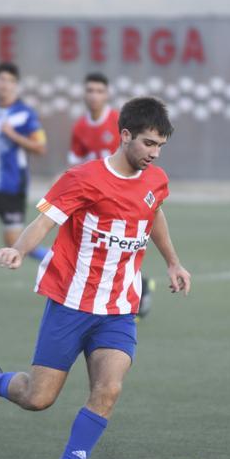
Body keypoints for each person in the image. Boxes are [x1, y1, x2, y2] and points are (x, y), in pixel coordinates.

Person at [0, 96, 192, 459]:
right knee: (38, 398)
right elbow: (44, 220)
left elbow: (154, 213)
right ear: (125, 136)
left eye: (160, 147)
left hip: (118, 307)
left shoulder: (154, 181)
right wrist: (19, 250)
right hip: (71, 303)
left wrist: (173, 261)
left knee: (109, 388)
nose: (154, 153)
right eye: (149, 144)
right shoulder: (82, 179)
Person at [67, 72, 154, 318]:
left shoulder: (118, 123)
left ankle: (136, 288)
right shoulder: (80, 127)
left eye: (99, 91)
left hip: (122, 197)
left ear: (107, 94)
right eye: (90, 90)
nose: (94, 96)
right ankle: (85, 294)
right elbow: (74, 165)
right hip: (92, 198)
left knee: (117, 247)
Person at [0, 62, 47, 255]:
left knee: (14, 243)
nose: (4, 84)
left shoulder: (25, 114)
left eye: (10, 80)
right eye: (1, 79)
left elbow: (40, 147)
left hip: (12, 185)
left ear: (16, 85)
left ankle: (54, 260)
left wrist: (12, 134)